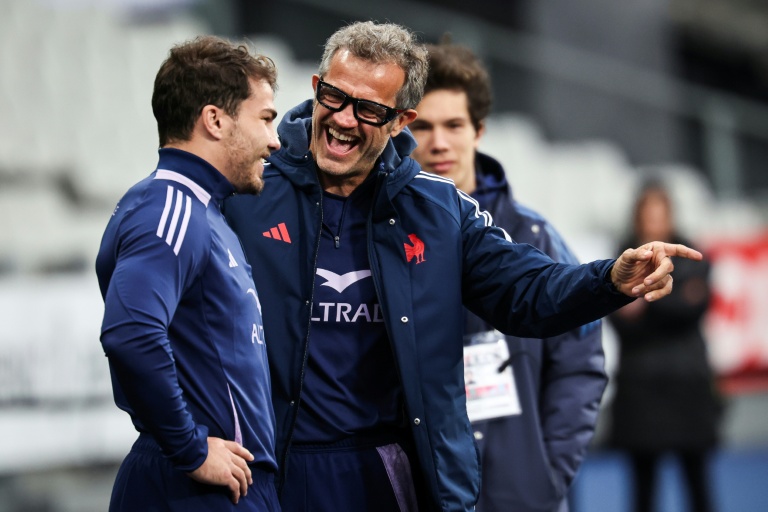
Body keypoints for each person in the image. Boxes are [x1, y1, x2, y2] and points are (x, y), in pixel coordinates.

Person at [223, 21, 701, 512]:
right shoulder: (244, 189)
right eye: (335, 97)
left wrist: (608, 280)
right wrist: (193, 440)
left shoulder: (439, 210)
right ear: (316, 88)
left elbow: (528, 290)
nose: (344, 119)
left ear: (399, 121)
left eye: (368, 109)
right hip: (270, 471)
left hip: (388, 473)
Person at [408, 42, 607, 512]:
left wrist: (547, 474)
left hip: (521, 492)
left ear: (478, 131)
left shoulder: (535, 236)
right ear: (401, 130)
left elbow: (580, 364)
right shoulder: (382, 237)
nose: (438, 142)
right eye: (423, 126)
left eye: (453, 125)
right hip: (422, 491)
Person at [95, 35, 282, 511]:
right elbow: (131, 332)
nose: (274, 141)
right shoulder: (170, 208)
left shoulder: (203, 211)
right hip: (194, 487)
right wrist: (191, 448)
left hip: (225, 483)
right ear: (215, 120)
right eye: (264, 119)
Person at [607, 180, 722, 512]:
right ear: (637, 217)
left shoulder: (695, 255)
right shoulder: (621, 262)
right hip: (640, 389)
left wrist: (645, 300)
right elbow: (618, 320)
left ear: (671, 216)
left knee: (699, 485)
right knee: (643, 492)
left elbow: (693, 309)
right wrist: (673, 295)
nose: (654, 221)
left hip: (689, 386)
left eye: (661, 214)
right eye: (648, 214)